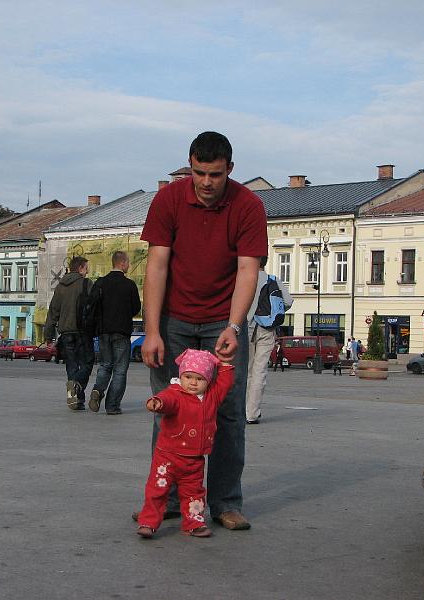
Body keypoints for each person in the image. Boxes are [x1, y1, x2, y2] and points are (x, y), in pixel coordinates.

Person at [139, 131, 268, 531]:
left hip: (220, 320)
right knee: (170, 407)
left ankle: (225, 502)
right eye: (199, 173)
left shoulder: (248, 205)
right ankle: (171, 500)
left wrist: (234, 325)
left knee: (228, 412)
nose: (206, 183)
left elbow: (249, 270)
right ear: (190, 165)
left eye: (214, 174)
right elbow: (157, 266)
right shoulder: (168, 200)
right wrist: (152, 330)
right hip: (174, 320)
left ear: (230, 169)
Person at [136, 349, 234, 539]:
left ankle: (194, 522)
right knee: (157, 490)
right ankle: (148, 521)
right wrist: (157, 402)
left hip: (194, 459)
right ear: (181, 376)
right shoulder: (176, 392)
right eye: (188, 376)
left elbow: (224, 383)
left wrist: (225, 364)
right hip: (167, 457)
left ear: (208, 380)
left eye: (200, 378)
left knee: (194, 493)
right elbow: (167, 400)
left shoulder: (211, 396)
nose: (193, 382)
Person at [88, 250, 141, 415]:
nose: (128, 265)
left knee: (105, 365)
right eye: (128, 263)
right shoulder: (129, 285)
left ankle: (98, 389)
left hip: (103, 331)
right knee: (119, 369)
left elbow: (92, 304)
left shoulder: (100, 283)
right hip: (122, 331)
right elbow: (136, 308)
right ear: (123, 263)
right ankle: (112, 406)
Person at [44, 256, 95, 410]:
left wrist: (48, 337)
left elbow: (52, 312)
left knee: (71, 366)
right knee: (88, 362)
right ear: (80, 268)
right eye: (86, 268)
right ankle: (77, 385)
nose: (87, 271)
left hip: (65, 333)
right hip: (82, 331)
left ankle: (77, 400)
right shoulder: (86, 284)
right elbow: (94, 307)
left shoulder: (60, 287)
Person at [245, 256, 292, 424]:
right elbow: (288, 301)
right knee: (260, 371)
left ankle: (243, 409)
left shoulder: (245, 278)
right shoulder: (273, 279)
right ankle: (252, 413)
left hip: (247, 327)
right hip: (267, 328)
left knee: (247, 370)